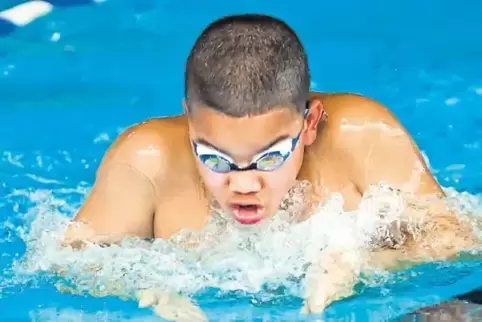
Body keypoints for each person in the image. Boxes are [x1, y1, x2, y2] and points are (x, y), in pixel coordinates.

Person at [63, 13, 479, 318]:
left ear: (310, 124)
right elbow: (67, 263)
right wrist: (149, 290)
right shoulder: (146, 161)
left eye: (270, 157)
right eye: (214, 158)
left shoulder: (362, 135)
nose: (243, 184)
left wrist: (367, 265)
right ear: (189, 121)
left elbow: (457, 239)